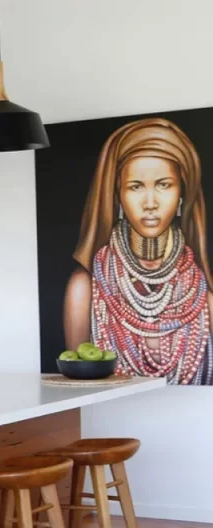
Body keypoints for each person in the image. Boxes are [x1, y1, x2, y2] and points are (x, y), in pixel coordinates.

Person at [64, 118, 213, 385]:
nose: (150, 203)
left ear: (182, 193)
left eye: (164, 184)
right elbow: (78, 389)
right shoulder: (85, 289)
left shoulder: (204, 296)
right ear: (117, 195)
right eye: (135, 187)